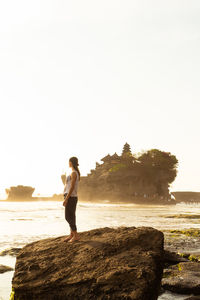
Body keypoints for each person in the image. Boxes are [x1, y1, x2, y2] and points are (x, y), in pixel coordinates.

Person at [62, 156, 80, 243]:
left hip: (71, 197)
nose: (68, 163)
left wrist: (66, 198)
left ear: (71, 163)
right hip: (70, 197)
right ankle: (72, 234)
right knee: (71, 216)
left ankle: (76, 235)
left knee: (68, 217)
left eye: (69, 162)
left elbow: (72, 187)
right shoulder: (73, 172)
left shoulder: (74, 173)